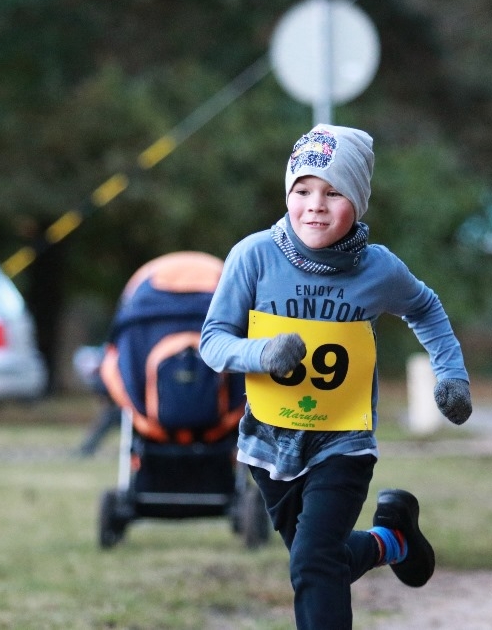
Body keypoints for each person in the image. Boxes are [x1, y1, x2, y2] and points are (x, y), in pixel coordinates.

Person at [199, 124, 472, 629]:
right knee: (321, 561)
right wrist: (263, 354)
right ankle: (393, 541)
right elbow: (213, 342)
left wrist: (451, 375)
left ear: (359, 202)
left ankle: (386, 543)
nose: (315, 205)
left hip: (343, 443)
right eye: (302, 190)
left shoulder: (378, 269)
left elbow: (426, 308)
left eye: (333, 192)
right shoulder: (253, 257)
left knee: (310, 564)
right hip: (269, 445)